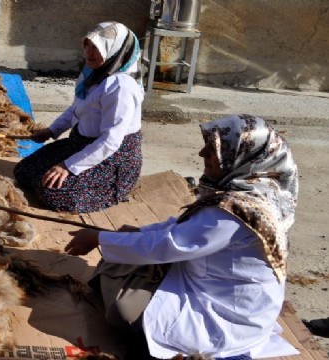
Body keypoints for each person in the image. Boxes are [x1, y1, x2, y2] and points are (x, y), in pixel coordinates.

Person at [64, 114, 299, 359]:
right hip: (227, 296)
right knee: (125, 248)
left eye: (213, 150)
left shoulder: (234, 213)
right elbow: (180, 227)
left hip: (226, 317)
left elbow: (169, 244)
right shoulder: (253, 194)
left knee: (123, 309)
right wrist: (122, 236)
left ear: (242, 156)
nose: (201, 153)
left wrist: (100, 239)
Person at [14, 21, 144, 213]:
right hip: (81, 145)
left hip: (111, 159)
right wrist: (52, 130)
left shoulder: (121, 87)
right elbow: (77, 108)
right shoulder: (93, 75)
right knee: (24, 171)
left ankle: (111, 189)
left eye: (98, 48)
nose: (90, 53)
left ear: (116, 51)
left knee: (51, 192)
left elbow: (110, 141)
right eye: (88, 45)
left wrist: (68, 166)